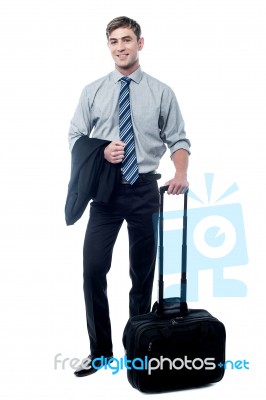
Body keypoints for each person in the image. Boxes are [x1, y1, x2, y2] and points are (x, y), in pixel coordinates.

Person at [68, 16, 191, 377]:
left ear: (140, 42)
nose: (120, 47)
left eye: (126, 39)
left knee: (142, 275)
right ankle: (100, 351)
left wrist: (180, 172)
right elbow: (76, 135)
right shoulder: (92, 90)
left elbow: (179, 139)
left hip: (144, 191)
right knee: (93, 270)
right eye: (113, 41)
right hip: (105, 192)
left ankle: (137, 349)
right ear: (108, 46)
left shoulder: (161, 91)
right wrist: (102, 151)